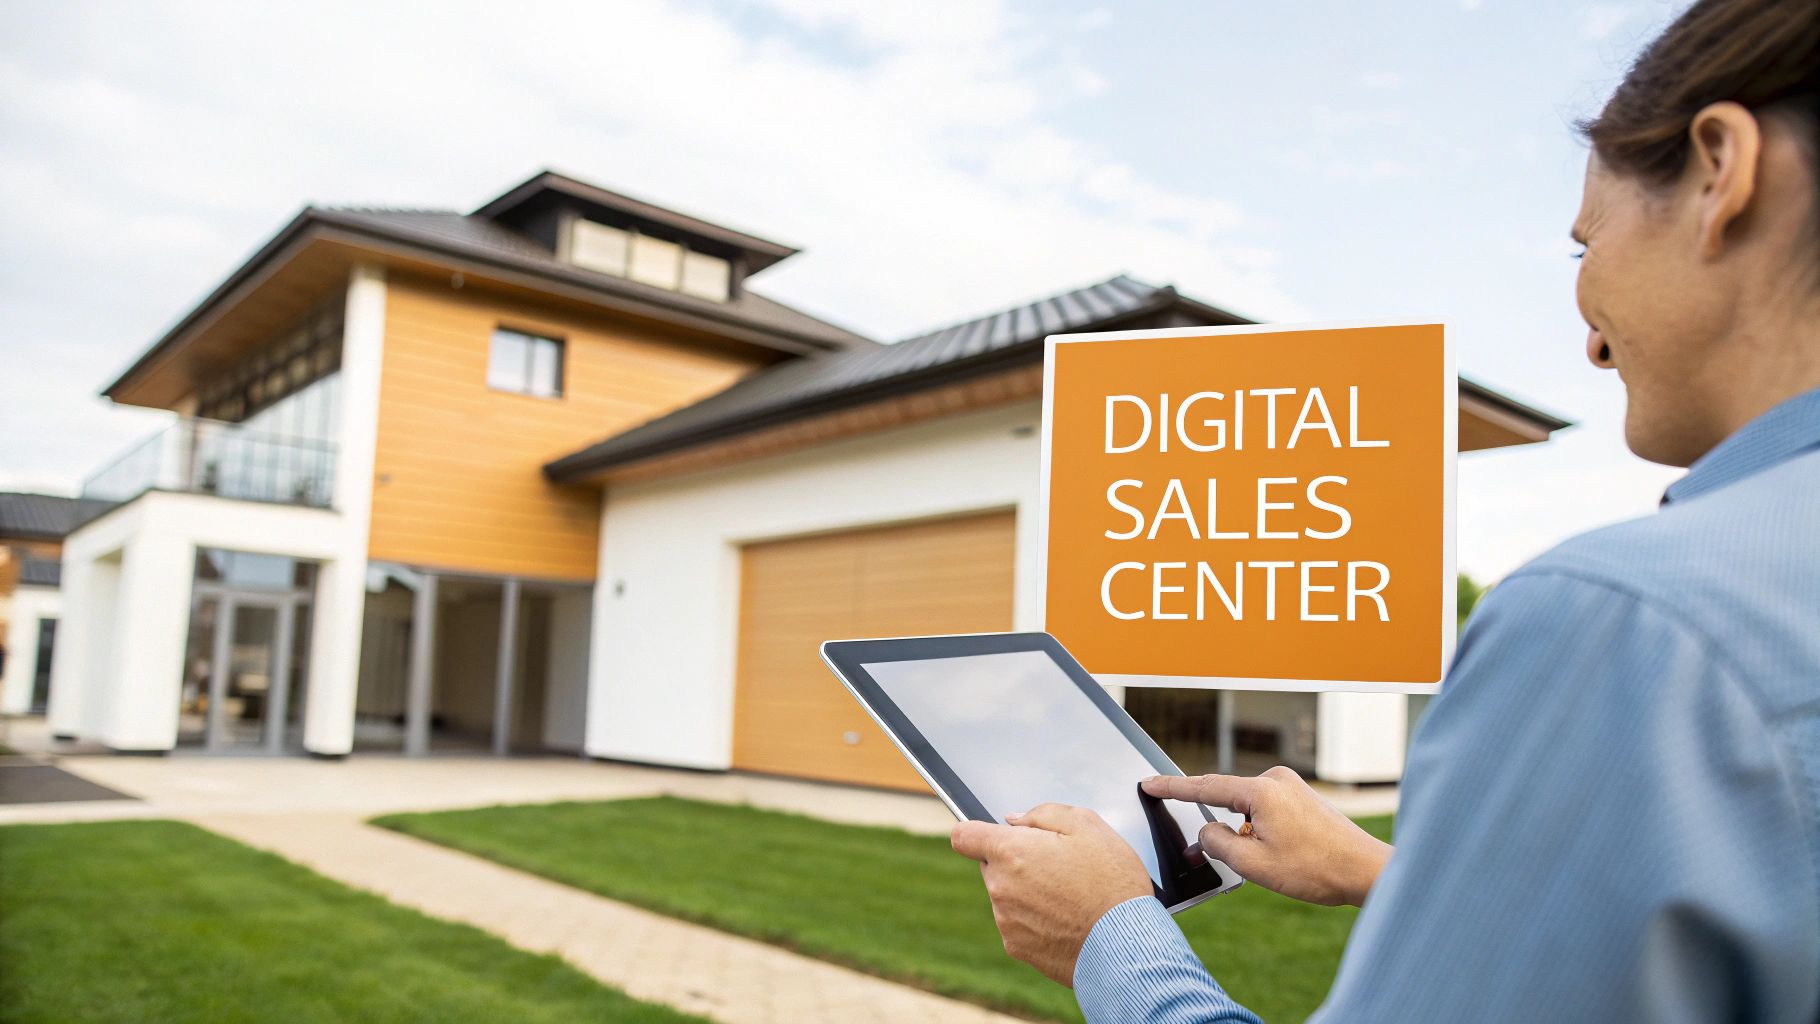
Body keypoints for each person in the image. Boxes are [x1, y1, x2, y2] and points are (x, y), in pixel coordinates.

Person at [949, 1, 1820, 1020]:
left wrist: (1108, 936)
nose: (1587, 337)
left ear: (1719, 169)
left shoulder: (1626, 622)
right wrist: (1388, 871)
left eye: (1584, 246)